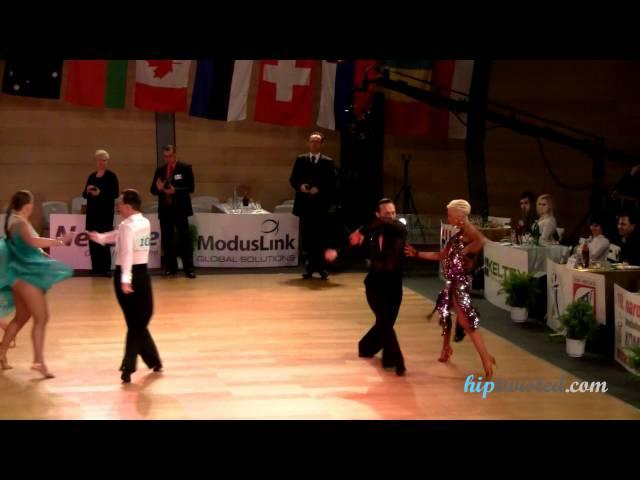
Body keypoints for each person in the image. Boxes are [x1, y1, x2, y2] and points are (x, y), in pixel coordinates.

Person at [405, 199, 496, 379]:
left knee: (465, 322)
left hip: (459, 284)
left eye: (449, 215)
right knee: (445, 315)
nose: (447, 218)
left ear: (460, 216)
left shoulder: (469, 231)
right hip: (452, 282)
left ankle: (486, 358)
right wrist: (417, 254)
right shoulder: (457, 236)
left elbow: (482, 240)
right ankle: (446, 349)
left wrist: (468, 254)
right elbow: (440, 255)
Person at [325, 198, 407, 376]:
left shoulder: (400, 229)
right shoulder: (372, 233)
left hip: (394, 286)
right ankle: (397, 361)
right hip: (374, 285)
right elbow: (353, 244)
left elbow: (380, 226)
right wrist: (337, 252)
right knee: (385, 321)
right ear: (377, 214)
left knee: (385, 322)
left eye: (393, 213)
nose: (391, 217)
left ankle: (366, 347)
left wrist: (362, 229)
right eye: (387, 213)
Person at [89, 189, 163, 384]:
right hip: (140, 275)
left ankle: (145, 362)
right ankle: (133, 366)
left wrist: (125, 279)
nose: (118, 205)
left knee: (138, 322)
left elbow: (128, 251)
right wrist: (101, 237)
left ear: (129, 206)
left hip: (128, 275)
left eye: (120, 202)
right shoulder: (143, 222)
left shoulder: (128, 226)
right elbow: (119, 237)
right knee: (138, 322)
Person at [0, 190, 74, 378]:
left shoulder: (14, 221)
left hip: (19, 275)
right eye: (32, 203)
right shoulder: (20, 223)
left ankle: (1, 353)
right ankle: (38, 362)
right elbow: (33, 241)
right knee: (41, 318)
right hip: (26, 277)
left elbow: (24, 246)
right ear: (28, 206)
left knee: (21, 317)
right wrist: (60, 241)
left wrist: (41, 254)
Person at [289, 132, 337, 279]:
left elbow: (333, 183)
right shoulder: (300, 159)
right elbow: (293, 179)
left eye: (317, 141)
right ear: (308, 143)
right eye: (312, 141)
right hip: (305, 205)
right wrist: (301, 186)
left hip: (321, 206)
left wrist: (320, 189)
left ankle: (321, 267)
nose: (314, 144)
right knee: (308, 237)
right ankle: (309, 267)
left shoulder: (328, 162)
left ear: (321, 144)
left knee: (321, 237)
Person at [150, 144, 196, 279]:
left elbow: (191, 188)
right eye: (165, 157)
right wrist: (158, 189)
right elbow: (152, 190)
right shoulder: (160, 170)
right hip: (165, 210)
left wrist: (175, 190)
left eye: (170, 156)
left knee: (184, 239)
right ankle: (171, 268)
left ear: (175, 154)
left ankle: (189, 269)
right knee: (167, 239)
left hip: (180, 209)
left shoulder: (185, 168)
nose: (168, 159)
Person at [82, 149, 119, 276]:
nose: (102, 163)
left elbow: (115, 193)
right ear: (96, 161)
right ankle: (96, 267)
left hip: (105, 214)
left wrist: (100, 193)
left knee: (104, 240)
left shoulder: (111, 176)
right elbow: (84, 195)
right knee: (93, 240)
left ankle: (106, 268)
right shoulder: (91, 176)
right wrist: (88, 190)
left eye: (104, 160)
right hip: (92, 213)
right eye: (99, 160)